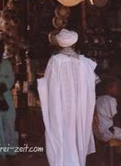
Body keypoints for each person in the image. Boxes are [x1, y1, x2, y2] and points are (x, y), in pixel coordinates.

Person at [38, 29, 97, 166]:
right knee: (78, 135)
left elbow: (49, 85)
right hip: (81, 109)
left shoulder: (55, 61)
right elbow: (93, 86)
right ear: (75, 44)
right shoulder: (85, 63)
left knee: (62, 135)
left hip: (61, 108)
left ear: (58, 45)